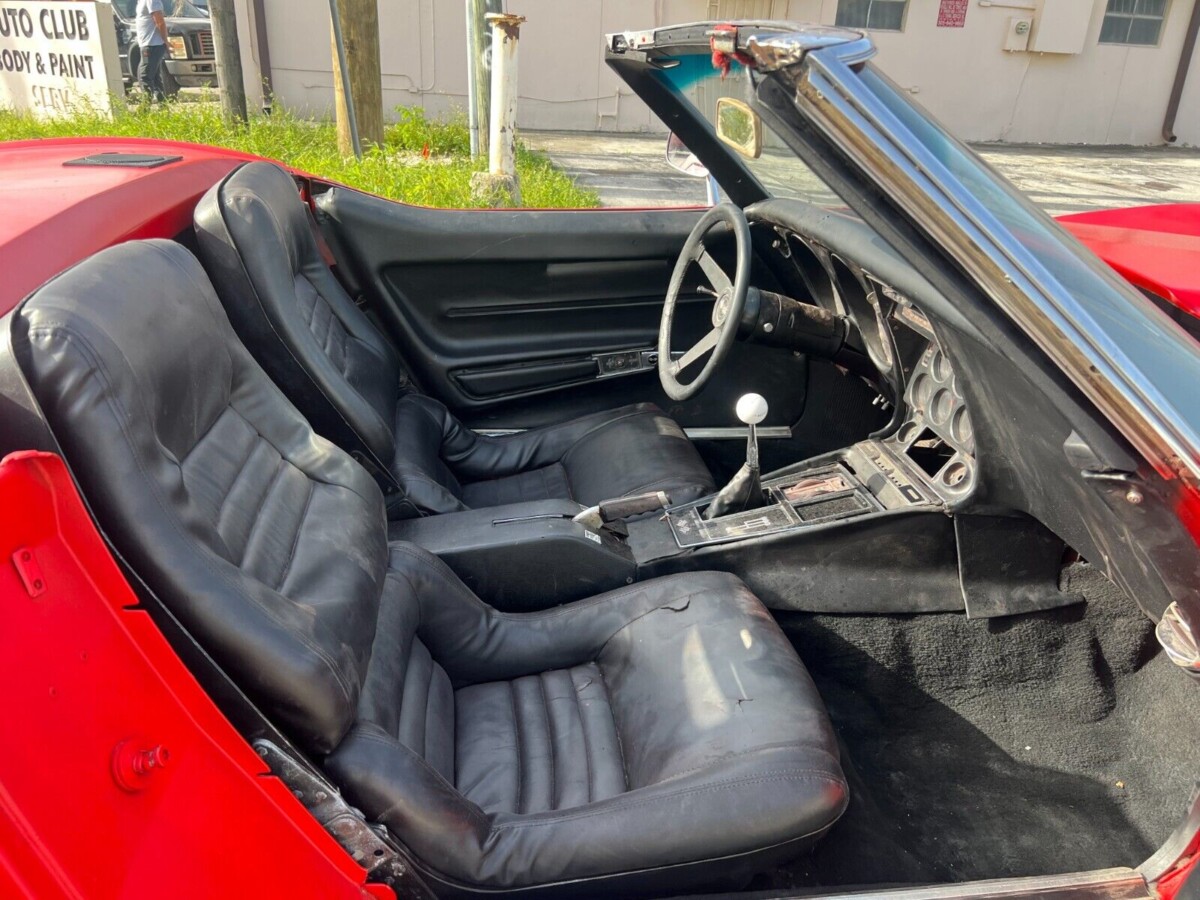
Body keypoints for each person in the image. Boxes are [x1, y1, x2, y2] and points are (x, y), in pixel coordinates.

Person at [135, 0, 169, 101]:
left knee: (144, 76)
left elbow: (159, 20)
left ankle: (145, 108)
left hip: (152, 44)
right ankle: (163, 108)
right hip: (148, 44)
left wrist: (165, 40)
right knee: (155, 77)